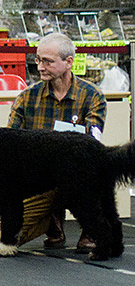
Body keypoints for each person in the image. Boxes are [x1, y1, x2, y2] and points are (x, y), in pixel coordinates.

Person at [8, 32, 105, 253]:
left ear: (68, 62)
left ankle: (91, 229)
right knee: (10, 236)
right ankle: (52, 224)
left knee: (94, 170)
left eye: (47, 61)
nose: (40, 67)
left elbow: (92, 142)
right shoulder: (25, 97)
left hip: (76, 169)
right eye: (38, 60)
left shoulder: (92, 95)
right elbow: (10, 144)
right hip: (37, 175)